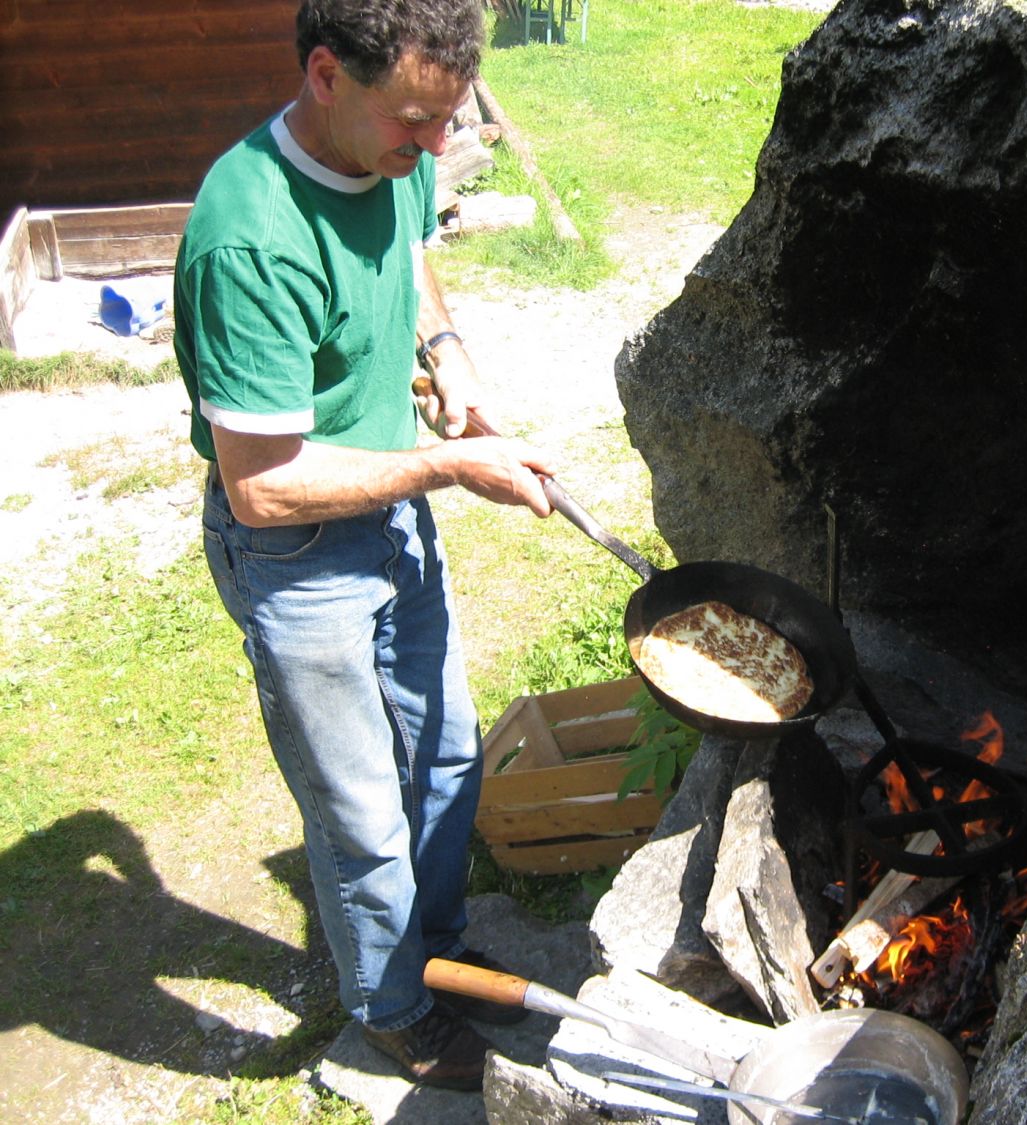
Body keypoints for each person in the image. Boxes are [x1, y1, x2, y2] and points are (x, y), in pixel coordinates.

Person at [172, 0, 554, 1092]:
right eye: (414, 124)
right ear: (327, 74)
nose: (435, 149)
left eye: (448, 123)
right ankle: (395, 1010)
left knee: (442, 757)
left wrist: (447, 352)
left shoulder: (402, 152)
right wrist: (443, 467)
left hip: (389, 521)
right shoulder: (248, 236)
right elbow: (262, 487)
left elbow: (415, 253)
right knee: (359, 817)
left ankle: (431, 955)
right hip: (298, 556)